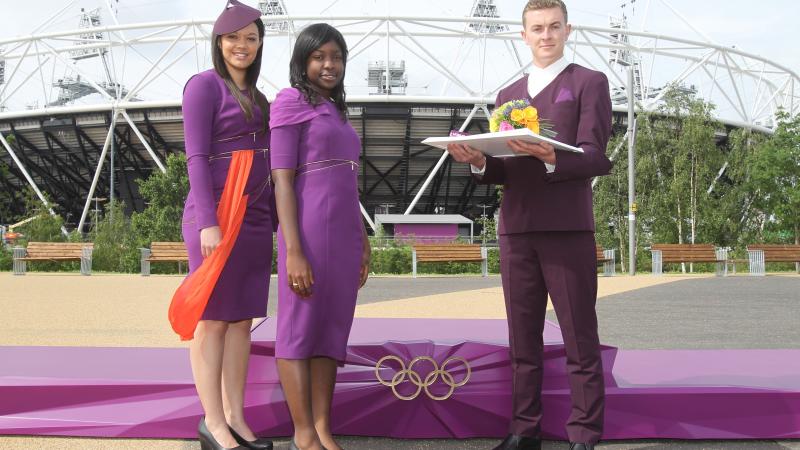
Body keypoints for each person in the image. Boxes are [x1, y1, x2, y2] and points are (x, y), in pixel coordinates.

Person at [447, 1, 613, 449]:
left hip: (567, 229)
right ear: (523, 35)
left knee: (580, 336)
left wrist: (553, 155)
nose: (545, 35)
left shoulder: (588, 83)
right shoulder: (508, 95)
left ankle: (584, 434)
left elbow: (597, 157)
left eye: (554, 27)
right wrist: (480, 161)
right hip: (516, 230)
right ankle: (524, 431)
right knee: (523, 340)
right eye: (537, 28)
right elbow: (505, 171)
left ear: (567, 29)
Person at [269, 23, 371, 450]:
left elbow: (350, 184)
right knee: (299, 330)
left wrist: (363, 238)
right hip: (307, 232)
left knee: (330, 330)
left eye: (336, 56)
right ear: (303, 61)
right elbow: (282, 180)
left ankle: (324, 428)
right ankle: (303, 434)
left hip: (345, 235)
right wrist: (293, 249)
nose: (330, 64)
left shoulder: (339, 111)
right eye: (320, 56)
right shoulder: (290, 102)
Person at [179, 1, 275, 449]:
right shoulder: (203, 87)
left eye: (251, 38)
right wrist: (208, 221)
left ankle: (236, 417)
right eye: (234, 37)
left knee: (241, 322)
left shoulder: (260, 100)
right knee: (213, 321)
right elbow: (196, 156)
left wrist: (276, 222)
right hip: (216, 214)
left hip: (255, 217)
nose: (243, 45)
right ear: (219, 42)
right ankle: (213, 423)